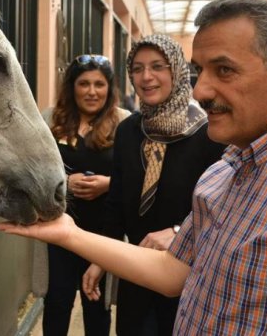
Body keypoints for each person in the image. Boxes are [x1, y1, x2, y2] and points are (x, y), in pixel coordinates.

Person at [0, 0, 267, 334]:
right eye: (200, 71)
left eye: (224, 70)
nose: (200, 90)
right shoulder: (228, 170)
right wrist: (70, 235)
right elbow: (171, 272)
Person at [85, 34, 225, 335]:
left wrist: (178, 232)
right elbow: (116, 203)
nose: (146, 77)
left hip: (189, 274)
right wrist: (101, 259)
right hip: (137, 271)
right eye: (137, 68)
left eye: (157, 66)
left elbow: (224, 208)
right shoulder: (129, 131)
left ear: (176, 70)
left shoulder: (208, 133)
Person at [41, 54, 129, 336]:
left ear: (109, 88)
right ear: (72, 87)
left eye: (99, 84)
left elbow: (135, 180)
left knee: (97, 305)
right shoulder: (49, 119)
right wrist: (65, 181)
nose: (92, 91)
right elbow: (35, 170)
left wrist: (108, 183)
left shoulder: (124, 123)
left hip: (102, 235)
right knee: (56, 303)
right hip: (58, 232)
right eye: (84, 83)